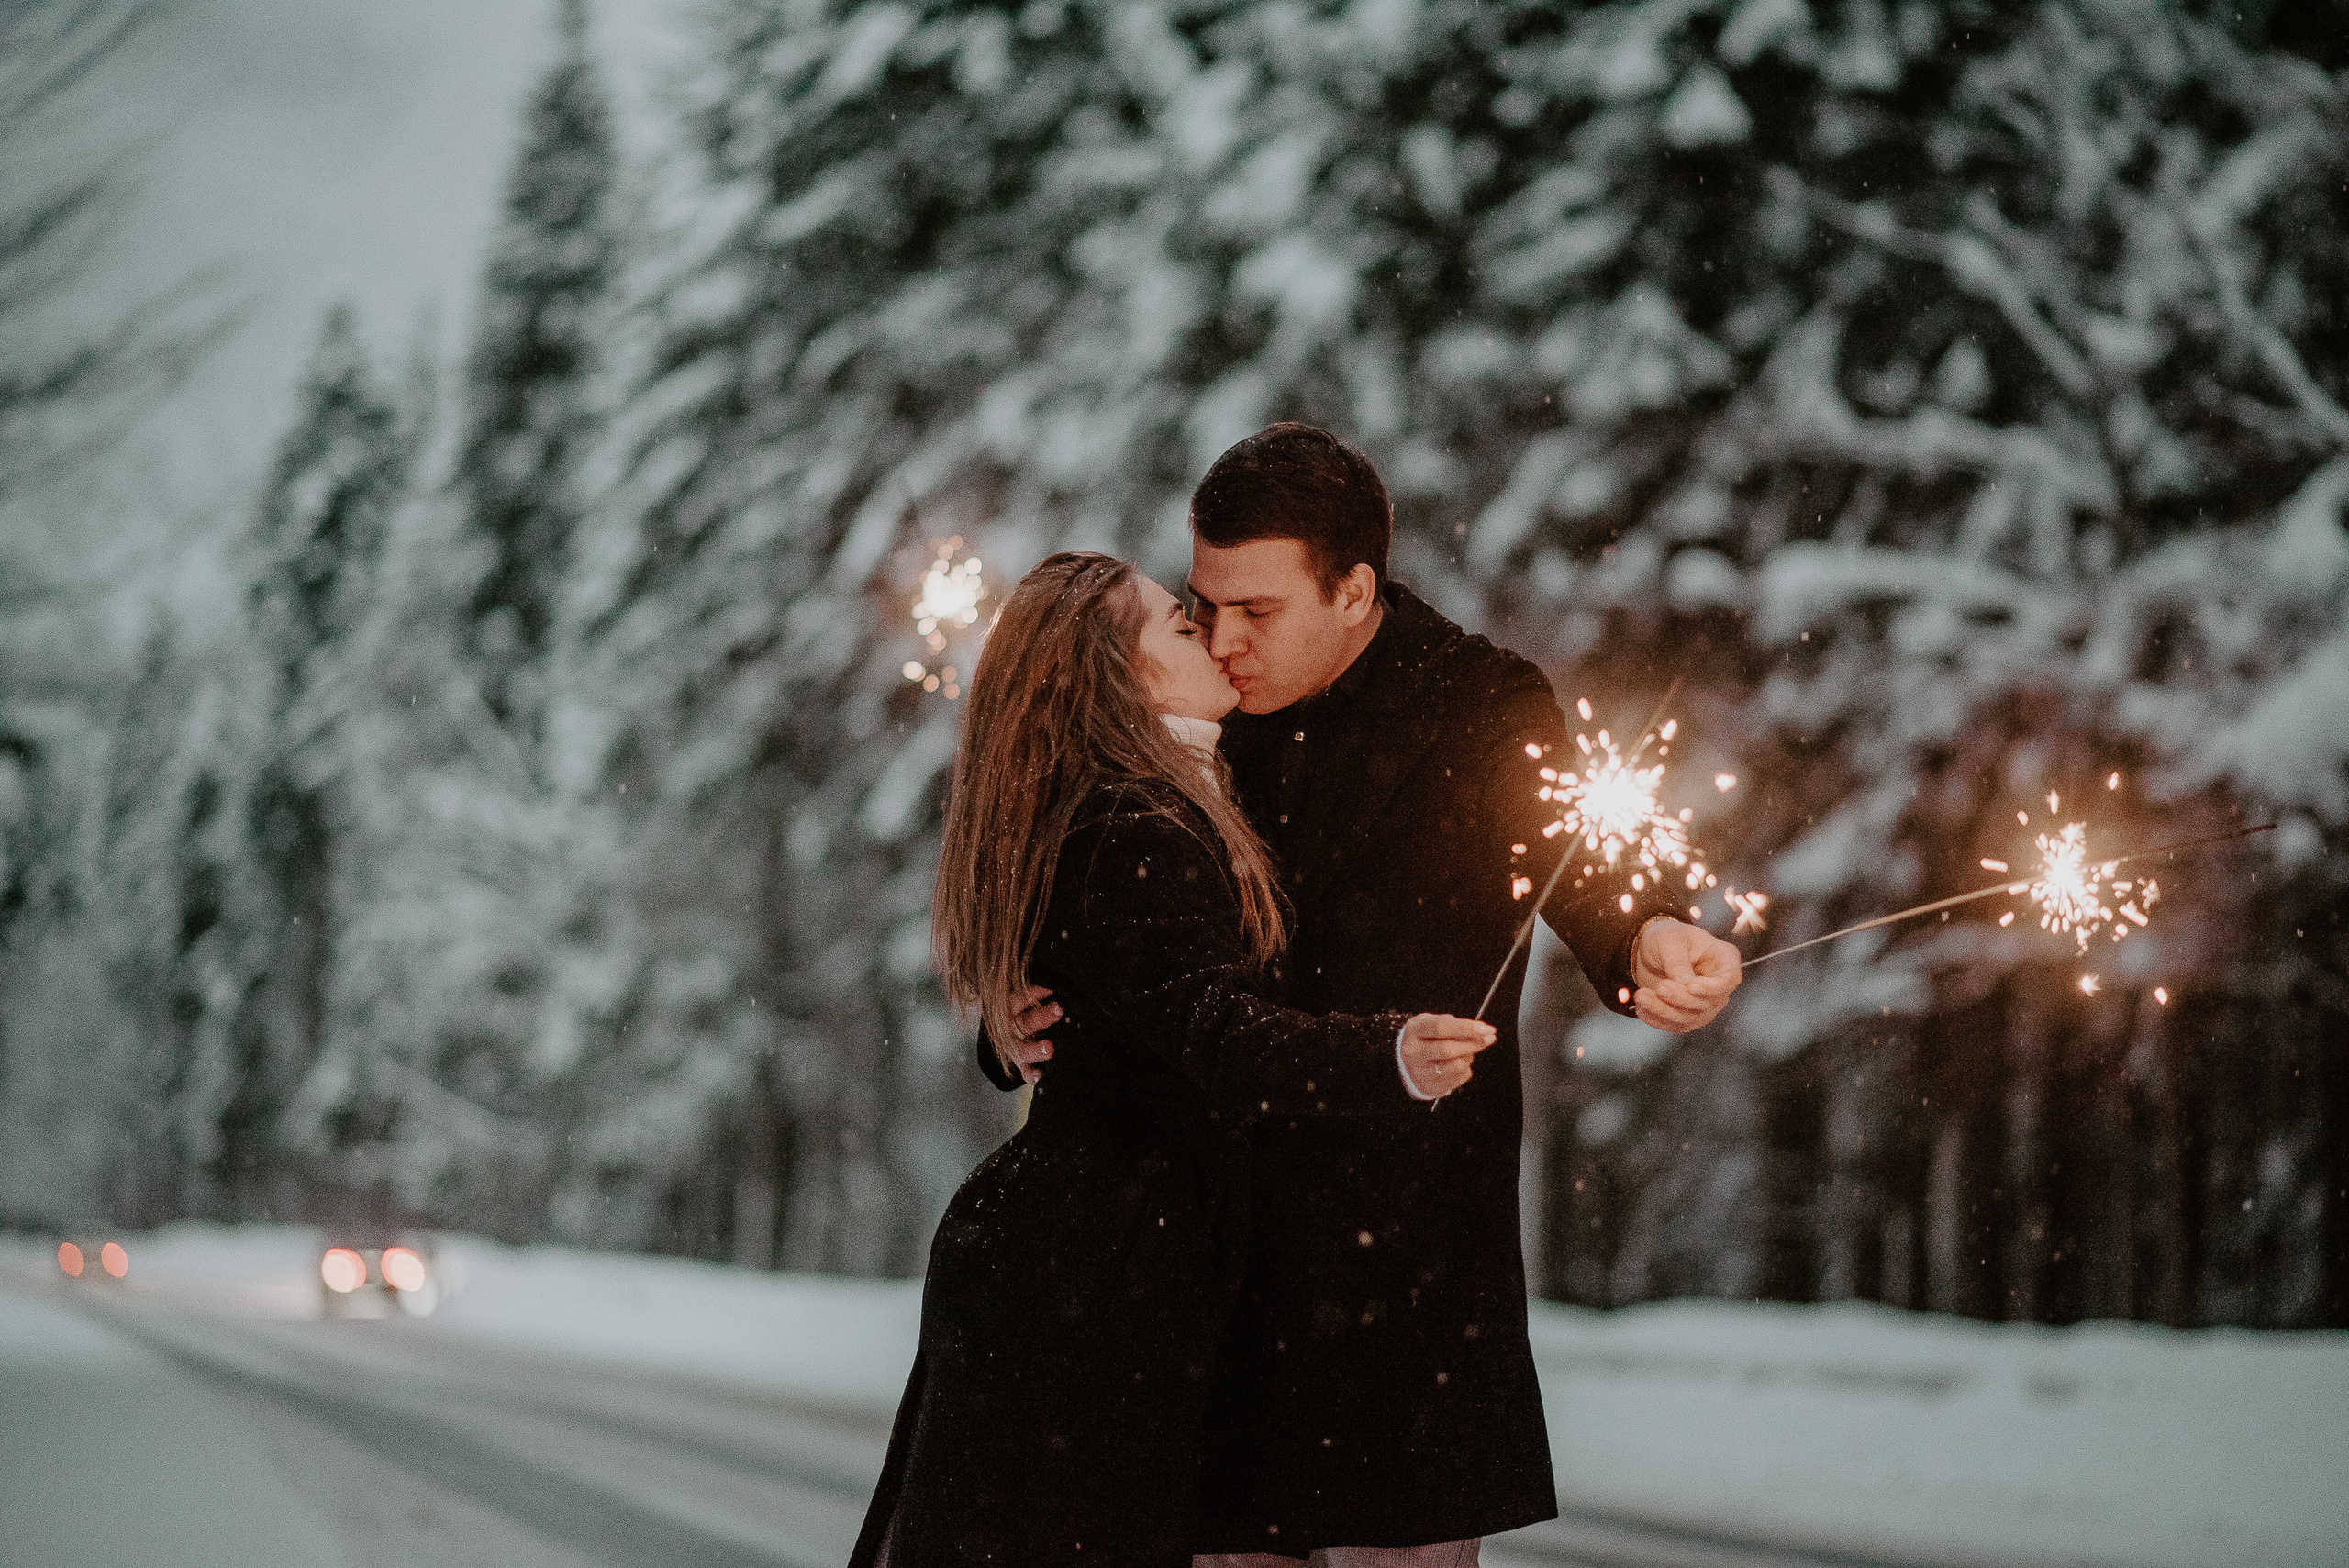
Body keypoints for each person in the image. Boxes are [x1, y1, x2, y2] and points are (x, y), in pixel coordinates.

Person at [994, 425, 1743, 1564]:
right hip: (1217, 1268)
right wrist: (1014, 1016)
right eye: (1203, 604)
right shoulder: (1186, 709)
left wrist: (1651, 935)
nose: (1223, 639)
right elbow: (1095, 903)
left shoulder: (1478, 702)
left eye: (1257, 610)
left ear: (1353, 591)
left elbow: (1576, 852)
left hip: (1405, 1266)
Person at [850, 551, 1503, 1568]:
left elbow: (1117, 987)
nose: (1213, 636)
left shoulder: (1172, 789)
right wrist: (1386, 1057)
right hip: (1100, 1256)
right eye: (1180, 626)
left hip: (1104, 1243)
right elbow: (1210, 1026)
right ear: (1122, 676)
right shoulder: (1130, 821)